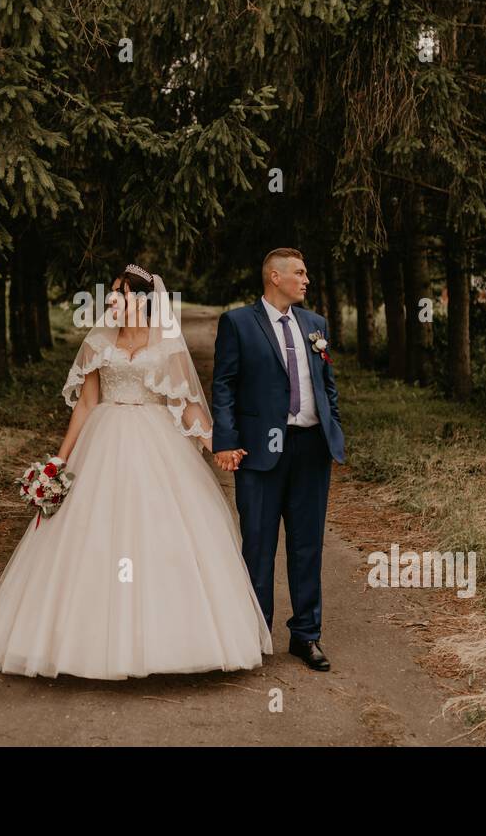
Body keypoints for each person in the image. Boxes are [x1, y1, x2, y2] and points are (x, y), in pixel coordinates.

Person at [0, 263, 273, 680]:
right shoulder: (98, 343)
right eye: (113, 292)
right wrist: (57, 463)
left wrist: (218, 446)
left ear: (145, 302)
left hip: (155, 442)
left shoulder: (166, 346)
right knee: (88, 535)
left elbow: (186, 407)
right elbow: (85, 404)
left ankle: (171, 643)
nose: (114, 299)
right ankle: (77, 642)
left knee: (165, 534)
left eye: (122, 293)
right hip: (103, 440)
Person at [210, 248, 346, 671]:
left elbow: (328, 385)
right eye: (299, 273)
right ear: (274, 276)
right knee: (259, 545)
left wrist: (333, 428)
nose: (306, 280)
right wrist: (225, 441)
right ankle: (255, 634)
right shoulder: (238, 323)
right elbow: (224, 387)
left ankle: (306, 636)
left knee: (307, 547)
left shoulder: (315, 325)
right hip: (260, 449)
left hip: (310, 449)